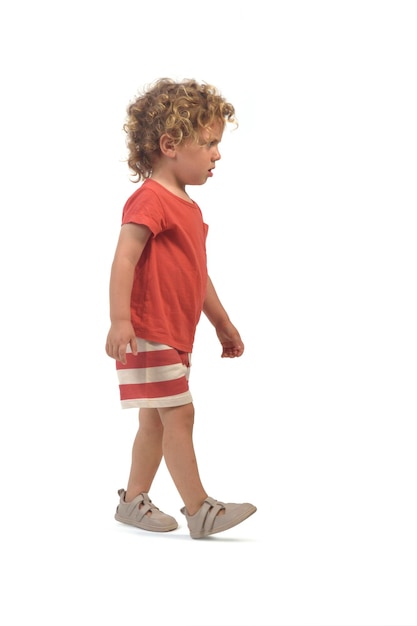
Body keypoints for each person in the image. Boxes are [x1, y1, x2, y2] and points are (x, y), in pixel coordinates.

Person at [105, 78, 256, 539]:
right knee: (180, 415)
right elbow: (124, 257)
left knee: (155, 418)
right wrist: (119, 320)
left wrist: (223, 324)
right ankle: (200, 509)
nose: (217, 154)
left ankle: (132, 502)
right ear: (170, 144)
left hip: (175, 332)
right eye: (208, 143)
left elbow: (197, 273)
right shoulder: (149, 200)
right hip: (149, 329)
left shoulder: (188, 207)